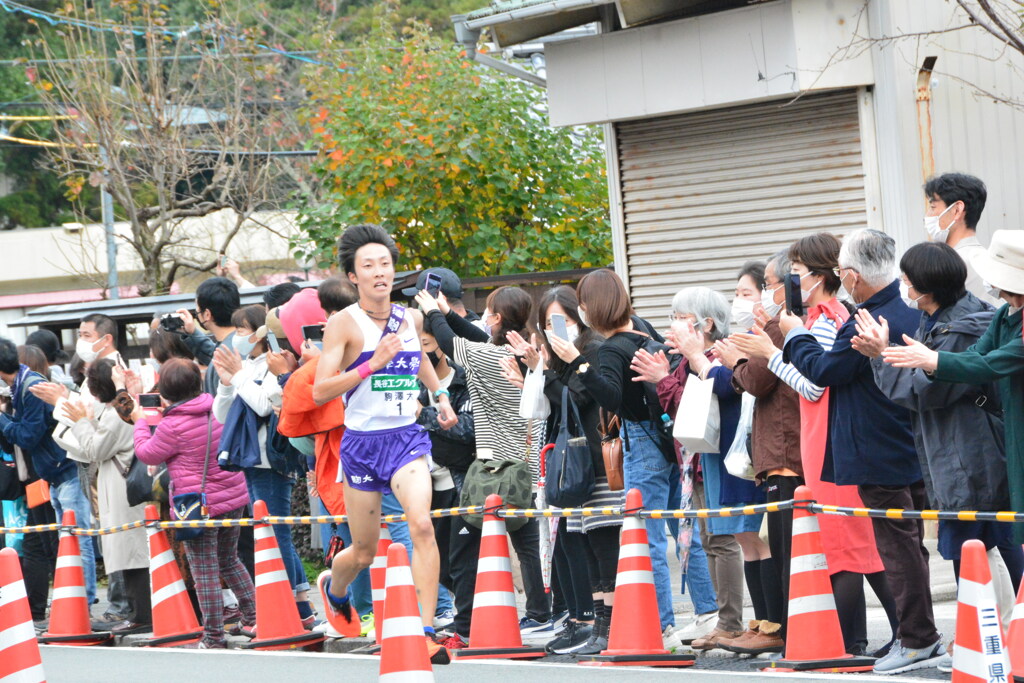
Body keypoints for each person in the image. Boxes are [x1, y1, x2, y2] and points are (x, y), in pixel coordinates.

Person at [731, 233, 901, 658]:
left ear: (821, 276)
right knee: (854, 545)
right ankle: (895, 633)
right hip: (823, 441)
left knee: (843, 547)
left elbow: (812, 387)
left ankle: (859, 641)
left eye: (797, 273)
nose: (790, 283)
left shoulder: (827, 319)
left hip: (830, 442)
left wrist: (771, 354)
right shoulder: (820, 318)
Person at [779, 229, 941, 673]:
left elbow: (824, 371)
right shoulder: (910, 308)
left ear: (849, 276)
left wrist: (794, 337)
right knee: (911, 547)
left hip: (876, 449)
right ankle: (920, 634)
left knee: (897, 550)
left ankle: (917, 639)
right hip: (911, 445)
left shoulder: (867, 317)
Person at [852, 241, 1022, 622]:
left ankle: (992, 635)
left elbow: (923, 390)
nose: (903, 287)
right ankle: (989, 633)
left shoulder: (960, 328)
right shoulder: (972, 317)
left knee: (979, 541)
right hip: (964, 447)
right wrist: (899, 356)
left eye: (907, 281)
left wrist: (885, 356)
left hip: (969, 451)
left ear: (926, 289)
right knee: (985, 538)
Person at [312, 224, 456, 662]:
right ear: (353, 277)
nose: (379, 273)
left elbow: (418, 363)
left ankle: (426, 630)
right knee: (364, 550)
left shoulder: (409, 318)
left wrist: (442, 395)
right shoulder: (343, 324)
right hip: (361, 444)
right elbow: (320, 390)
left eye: (386, 264)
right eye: (368, 266)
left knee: (422, 525)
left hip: (405, 440)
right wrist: (370, 365)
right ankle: (334, 590)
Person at [634, 286, 769, 652]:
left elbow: (707, 396)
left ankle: (734, 621)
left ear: (706, 323)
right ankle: (731, 622)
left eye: (681, 316)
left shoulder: (723, 352)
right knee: (711, 539)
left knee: (729, 539)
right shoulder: (685, 358)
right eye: (673, 316)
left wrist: (670, 374)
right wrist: (667, 374)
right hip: (695, 460)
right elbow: (677, 405)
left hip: (723, 457)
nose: (674, 324)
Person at [416, 285, 552, 641]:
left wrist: (432, 312)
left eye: (489, 310)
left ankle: (483, 621)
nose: (484, 317)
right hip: (524, 457)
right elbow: (472, 334)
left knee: (484, 542)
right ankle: (541, 612)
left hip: (500, 465)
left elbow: (451, 342)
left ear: (496, 317)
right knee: (526, 540)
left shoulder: (490, 358)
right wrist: (445, 313)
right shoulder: (515, 349)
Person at [882, 229, 1024, 548]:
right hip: (1006, 437)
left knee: (1000, 545)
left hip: (990, 449)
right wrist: (932, 359)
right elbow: (978, 354)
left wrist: (933, 360)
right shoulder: (1004, 315)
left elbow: (987, 365)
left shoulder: (974, 323)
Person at [565, 269, 680, 642]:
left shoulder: (613, 348)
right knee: (684, 530)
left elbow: (612, 398)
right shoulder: (643, 330)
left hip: (642, 440)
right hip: (668, 437)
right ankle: (706, 611)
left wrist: (577, 363)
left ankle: (660, 623)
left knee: (647, 538)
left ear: (593, 307)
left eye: (583, 304)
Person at [523, 285, 624, 655]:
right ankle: (598, 624)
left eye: (562, 321)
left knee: (602, 545)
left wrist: (547, 370)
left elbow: (580, 397)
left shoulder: (591, 349)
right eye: (549, 323)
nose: (557, 330)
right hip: (576, 465)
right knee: (584, 544)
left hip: (597, 464)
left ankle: (609, 626)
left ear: (578, 316)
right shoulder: (563, 358)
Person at [133, 358, 256, 649]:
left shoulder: (171, 426)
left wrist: (141, 420)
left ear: (164, 391)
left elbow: (147, 454)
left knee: (205, 572)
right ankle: (254, 618)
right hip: (234, 496)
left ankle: (213, 637)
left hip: (198, 507)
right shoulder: (217, 408)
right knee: (229, 560)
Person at [721, 250, 803, 652]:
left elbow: (755, 379)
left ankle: (783, 630)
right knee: (758, 541)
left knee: (783, 549)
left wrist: (735, 363)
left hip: (784, 453)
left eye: (761, 287)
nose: (747, 299)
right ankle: (772, 626)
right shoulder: (772, 326)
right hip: (774, 452)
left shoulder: (779, 328)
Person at [212, 304, 314, 626]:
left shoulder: (276, 361)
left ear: (260, 332)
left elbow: (264, 406)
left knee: (276, 532)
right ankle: (300, 608)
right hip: (251, 459)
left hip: (274, 460)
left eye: (241, 330)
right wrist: (227, 382)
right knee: (272, 531)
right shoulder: (250, 365)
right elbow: (222, 415)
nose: (236, 337)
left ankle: (289, 609)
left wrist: (239, 375)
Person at [64, 359, 151, 633]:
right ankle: (138, 613)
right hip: (124, 484)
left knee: (131, 550)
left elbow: (93, 450)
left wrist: (80, 422)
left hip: (122, 488)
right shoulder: (127, 406)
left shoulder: (116, 415)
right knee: (129, 548)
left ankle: (141, 616)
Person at [0, 338, 70, 625]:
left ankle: (63, 608)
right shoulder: (19, 388)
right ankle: (36, 611)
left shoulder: (30, 387)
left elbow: (27, 436)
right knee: (37, 542)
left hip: (48, 472)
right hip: (36, 476)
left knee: (50, 542)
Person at [415, 321, 475, 641]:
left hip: (461, 480)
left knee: (463, 560)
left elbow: (467, 431)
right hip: (427, 483)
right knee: (440, 563)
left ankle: (465, 625)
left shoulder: (464, 379)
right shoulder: (413, 384)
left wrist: (423, 414)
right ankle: (462, 617)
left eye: (429, 345)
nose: (423, 353)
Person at [922, 173, 1000, 307]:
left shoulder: (951, 265)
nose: (927, 215)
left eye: (933, 207)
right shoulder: (988, 259)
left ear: (957, 210)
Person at [178, 277, 241, 392]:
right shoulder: (242, 342)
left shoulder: (226, 355)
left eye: (197, 310)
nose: (196, 314)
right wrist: (192, 332)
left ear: (207, 314)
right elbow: (214, 353)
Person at [402, 268, 480, 322]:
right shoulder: (476, 327)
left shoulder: (462, 335)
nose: (421, 305)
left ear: (440, 299)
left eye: (422, 298)